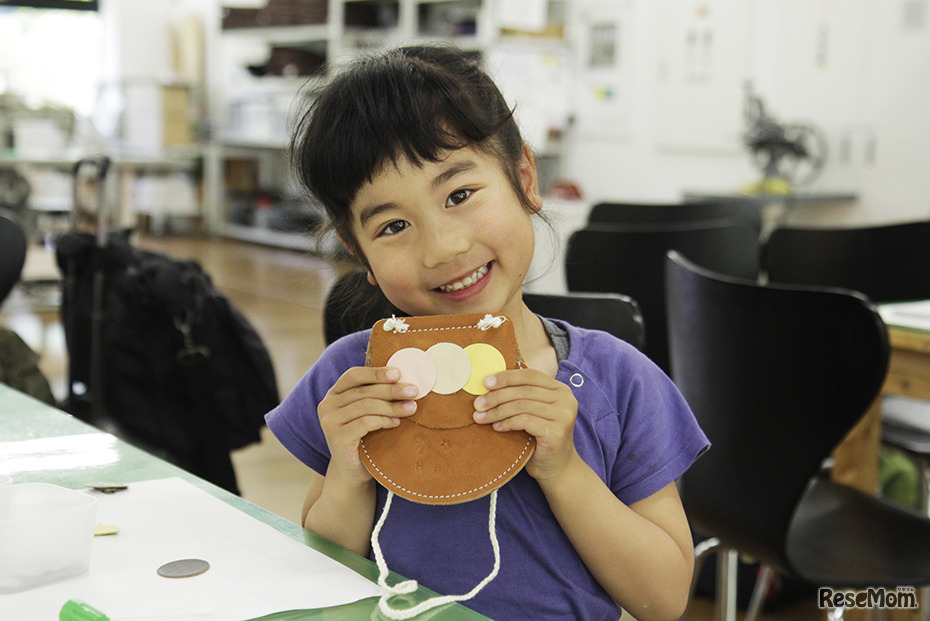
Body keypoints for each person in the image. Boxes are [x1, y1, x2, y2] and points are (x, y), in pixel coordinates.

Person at [266, 44, 709, 621]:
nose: (443, 247)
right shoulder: (355, 377)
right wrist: (347, 476)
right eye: (394, 225)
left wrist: (566, 471)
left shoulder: (619, 381)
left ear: (524, 179)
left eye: (460, 195)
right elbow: (320, 566)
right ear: (361, 254)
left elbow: (666, 598)